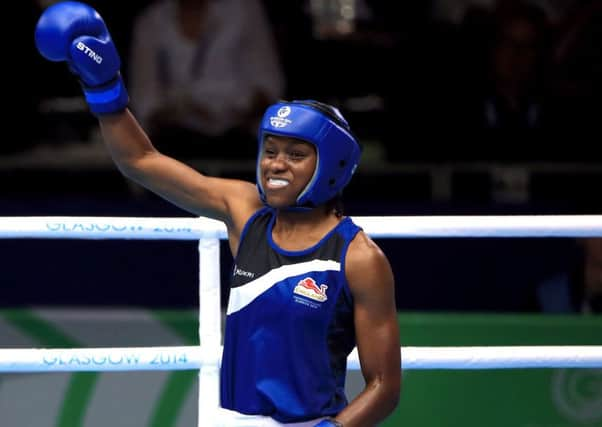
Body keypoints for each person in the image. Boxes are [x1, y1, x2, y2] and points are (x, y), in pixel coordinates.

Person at [34, 2, 401, 426]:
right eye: (271, 150)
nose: (276, 164)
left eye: (296, 154)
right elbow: (141, 161)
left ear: (332, 166)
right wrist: (105, 89)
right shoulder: (246, 212)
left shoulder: (358, 258)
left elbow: (384, 386)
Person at [128, 0, 286, 159]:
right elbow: (145, 100)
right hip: (175, 141)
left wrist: (229, 117)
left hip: (239, 138)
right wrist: (182, 114)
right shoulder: (151, 21)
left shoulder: (244, 10)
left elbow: (268, 85)